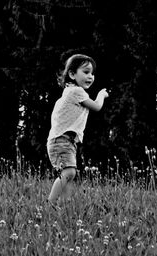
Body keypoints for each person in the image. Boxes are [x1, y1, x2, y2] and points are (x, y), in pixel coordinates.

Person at [46, 53, 109, 209]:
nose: (90, 76)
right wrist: (101, 95)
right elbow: (96, 106)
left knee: (68, 174)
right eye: (86, 72)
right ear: (72, 74)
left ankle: (65, 207)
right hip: (62, 140)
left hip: (65, 141)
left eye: (92, 73)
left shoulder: (70, 91)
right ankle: (51, 204)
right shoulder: (76, 92)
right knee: (69, 173)